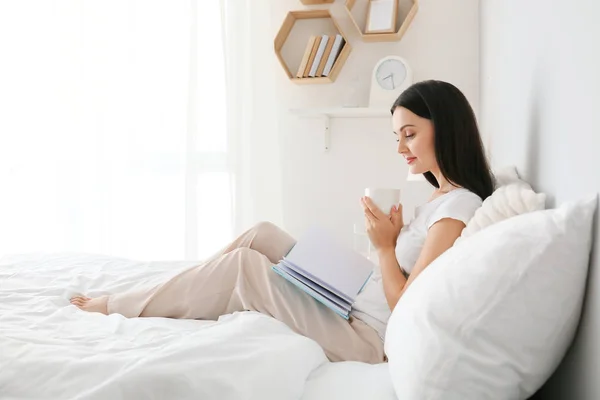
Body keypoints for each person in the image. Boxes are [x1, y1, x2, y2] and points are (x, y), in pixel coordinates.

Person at [71, 80, 494, 364]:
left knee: (244, 266)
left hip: (367, 333)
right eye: (396, 136)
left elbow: (406, 304)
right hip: (357, 294)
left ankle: (119, 305)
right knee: (262, 233)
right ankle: (174, 287)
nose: (401, 147)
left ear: (446, 127)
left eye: (409, 133)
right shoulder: (441, 197)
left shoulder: (459, 206)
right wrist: (388, 241)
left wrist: (386, 245)